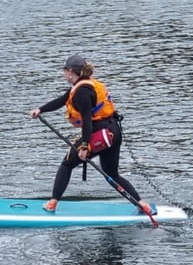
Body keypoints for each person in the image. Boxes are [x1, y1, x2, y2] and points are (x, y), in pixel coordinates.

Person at [30, 54, 152, 213]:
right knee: (112, 174)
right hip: (113, 132)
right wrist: (40, 110)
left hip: (99, 134)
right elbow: (62, 100)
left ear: (71, 71)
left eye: (64, 70)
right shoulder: (84, 85)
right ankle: (142, 204)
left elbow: (87, 121)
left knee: (66, 164)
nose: (63, 73)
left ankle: (53, 203)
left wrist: (85, 146)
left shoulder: (82, 92)